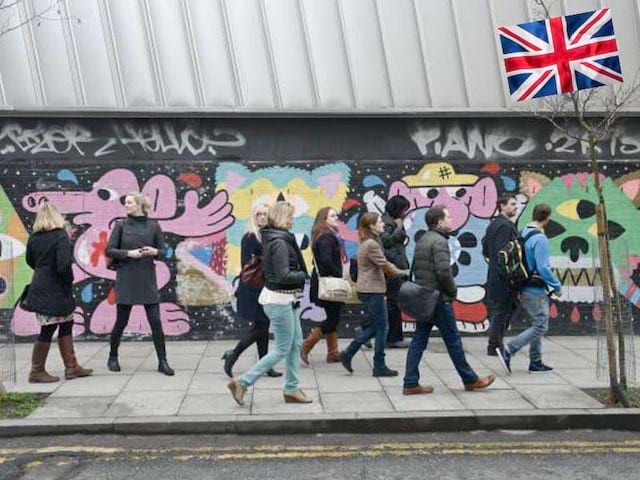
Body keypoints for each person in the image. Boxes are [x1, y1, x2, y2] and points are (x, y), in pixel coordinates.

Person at [402, 205, 495, 395]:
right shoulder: (439, 242)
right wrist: (453, 293)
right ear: (439, 221)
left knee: (419, 339)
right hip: (438, 299)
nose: (452, 220)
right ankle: (470, 379)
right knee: (453, 341)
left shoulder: (424, 239)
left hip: (425, 298)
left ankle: (410, 382)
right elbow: (444, 272)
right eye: (449, 216)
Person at [227, 201, 310, 406]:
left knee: (295, 343)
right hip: (279, 298)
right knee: (283, 347)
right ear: (282, 218)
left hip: (286, 297)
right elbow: (283, 275)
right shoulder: (279, 242)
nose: (292, 221)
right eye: (290, 217)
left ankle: (291, 388)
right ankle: (243, 382)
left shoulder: (276, 237)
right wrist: (304, 275)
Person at [105, 192, 174, 376]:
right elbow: (109, 250)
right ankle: (112, 356)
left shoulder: (153, 226)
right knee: (121, 321)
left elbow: (164, 251)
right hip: (126, 278)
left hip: (147, 279)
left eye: (129, 202)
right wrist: (129, 254)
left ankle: (163, 361)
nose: (125, 205)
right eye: (125, 202)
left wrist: (154, 251)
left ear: (139, 205)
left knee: (156, 322)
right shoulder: (120, 225)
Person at [24, 201, 92, 383]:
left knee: (64, 324)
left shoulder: (34, 238)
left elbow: (30, 261)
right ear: (57, 217)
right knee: (50, 328)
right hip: (57, 289)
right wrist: (68, 282)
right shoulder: (60, 236)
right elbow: (63, 266)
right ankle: (37, 371)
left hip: (40, 286)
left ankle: (72, 367)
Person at [339, 212, 406, 377]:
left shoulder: (370, 242)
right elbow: (384, 265)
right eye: (380, 222)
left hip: (369, 289)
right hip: (372, 289)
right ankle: (379, 365)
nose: (383, 224)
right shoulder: (371, 244)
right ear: (372, 226)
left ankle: (349, 353)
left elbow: (383, 262)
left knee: (375, 327)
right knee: (383, 327)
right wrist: (402, 273)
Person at [497, 204, 561, 374]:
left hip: (523, 284)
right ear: (547, 217)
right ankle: (509, 349)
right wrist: (556, 285)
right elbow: (543, 268)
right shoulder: (540, 238)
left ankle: (536, 362)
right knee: (541, 325)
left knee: (537, 322)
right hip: (535, 288)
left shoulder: (525, 231)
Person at [222, 204, 281, 378]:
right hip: (253, 288)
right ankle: (233, 355)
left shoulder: (270, 235)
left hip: (266, 287)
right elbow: (246, 265)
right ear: (253, 217)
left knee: (262, 326)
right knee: (261, 326)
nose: (262, 217)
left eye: (265, 214)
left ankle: (263, 365)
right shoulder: (250, 237)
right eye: (258, 215)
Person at [301, 207, 348, 365]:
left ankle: (333, 353)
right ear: (324, 219)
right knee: (333, 318)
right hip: (329, 283)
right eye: (332, 216)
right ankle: (306, 345)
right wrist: (338, 277)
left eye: (336, 215)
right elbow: (326, 261)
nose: (336, 218)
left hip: (323, 282)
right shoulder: (327, 237)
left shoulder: (320, 235)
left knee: (332, 317)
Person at [483, 194, 519, 357]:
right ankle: (494, 344)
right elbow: (504, 253)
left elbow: (485, 249)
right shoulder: (505, 226)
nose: (515, 207)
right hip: (503, 276)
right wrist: (509, 275)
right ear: (502, 206)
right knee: (503, 309)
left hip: (495, 274)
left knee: (507, 307)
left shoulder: (493, 225)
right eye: (512, 204)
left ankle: (496, 341)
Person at [380, 196, 411, 348]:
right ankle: (393, 338)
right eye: (404, 209)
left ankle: (369, 330)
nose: (405, 213)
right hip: (391, 269)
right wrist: (399, 227)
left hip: (394, 267)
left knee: (394, 302)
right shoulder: (388, 223)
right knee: (393, 303)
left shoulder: (391, 221)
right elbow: (386, 241)